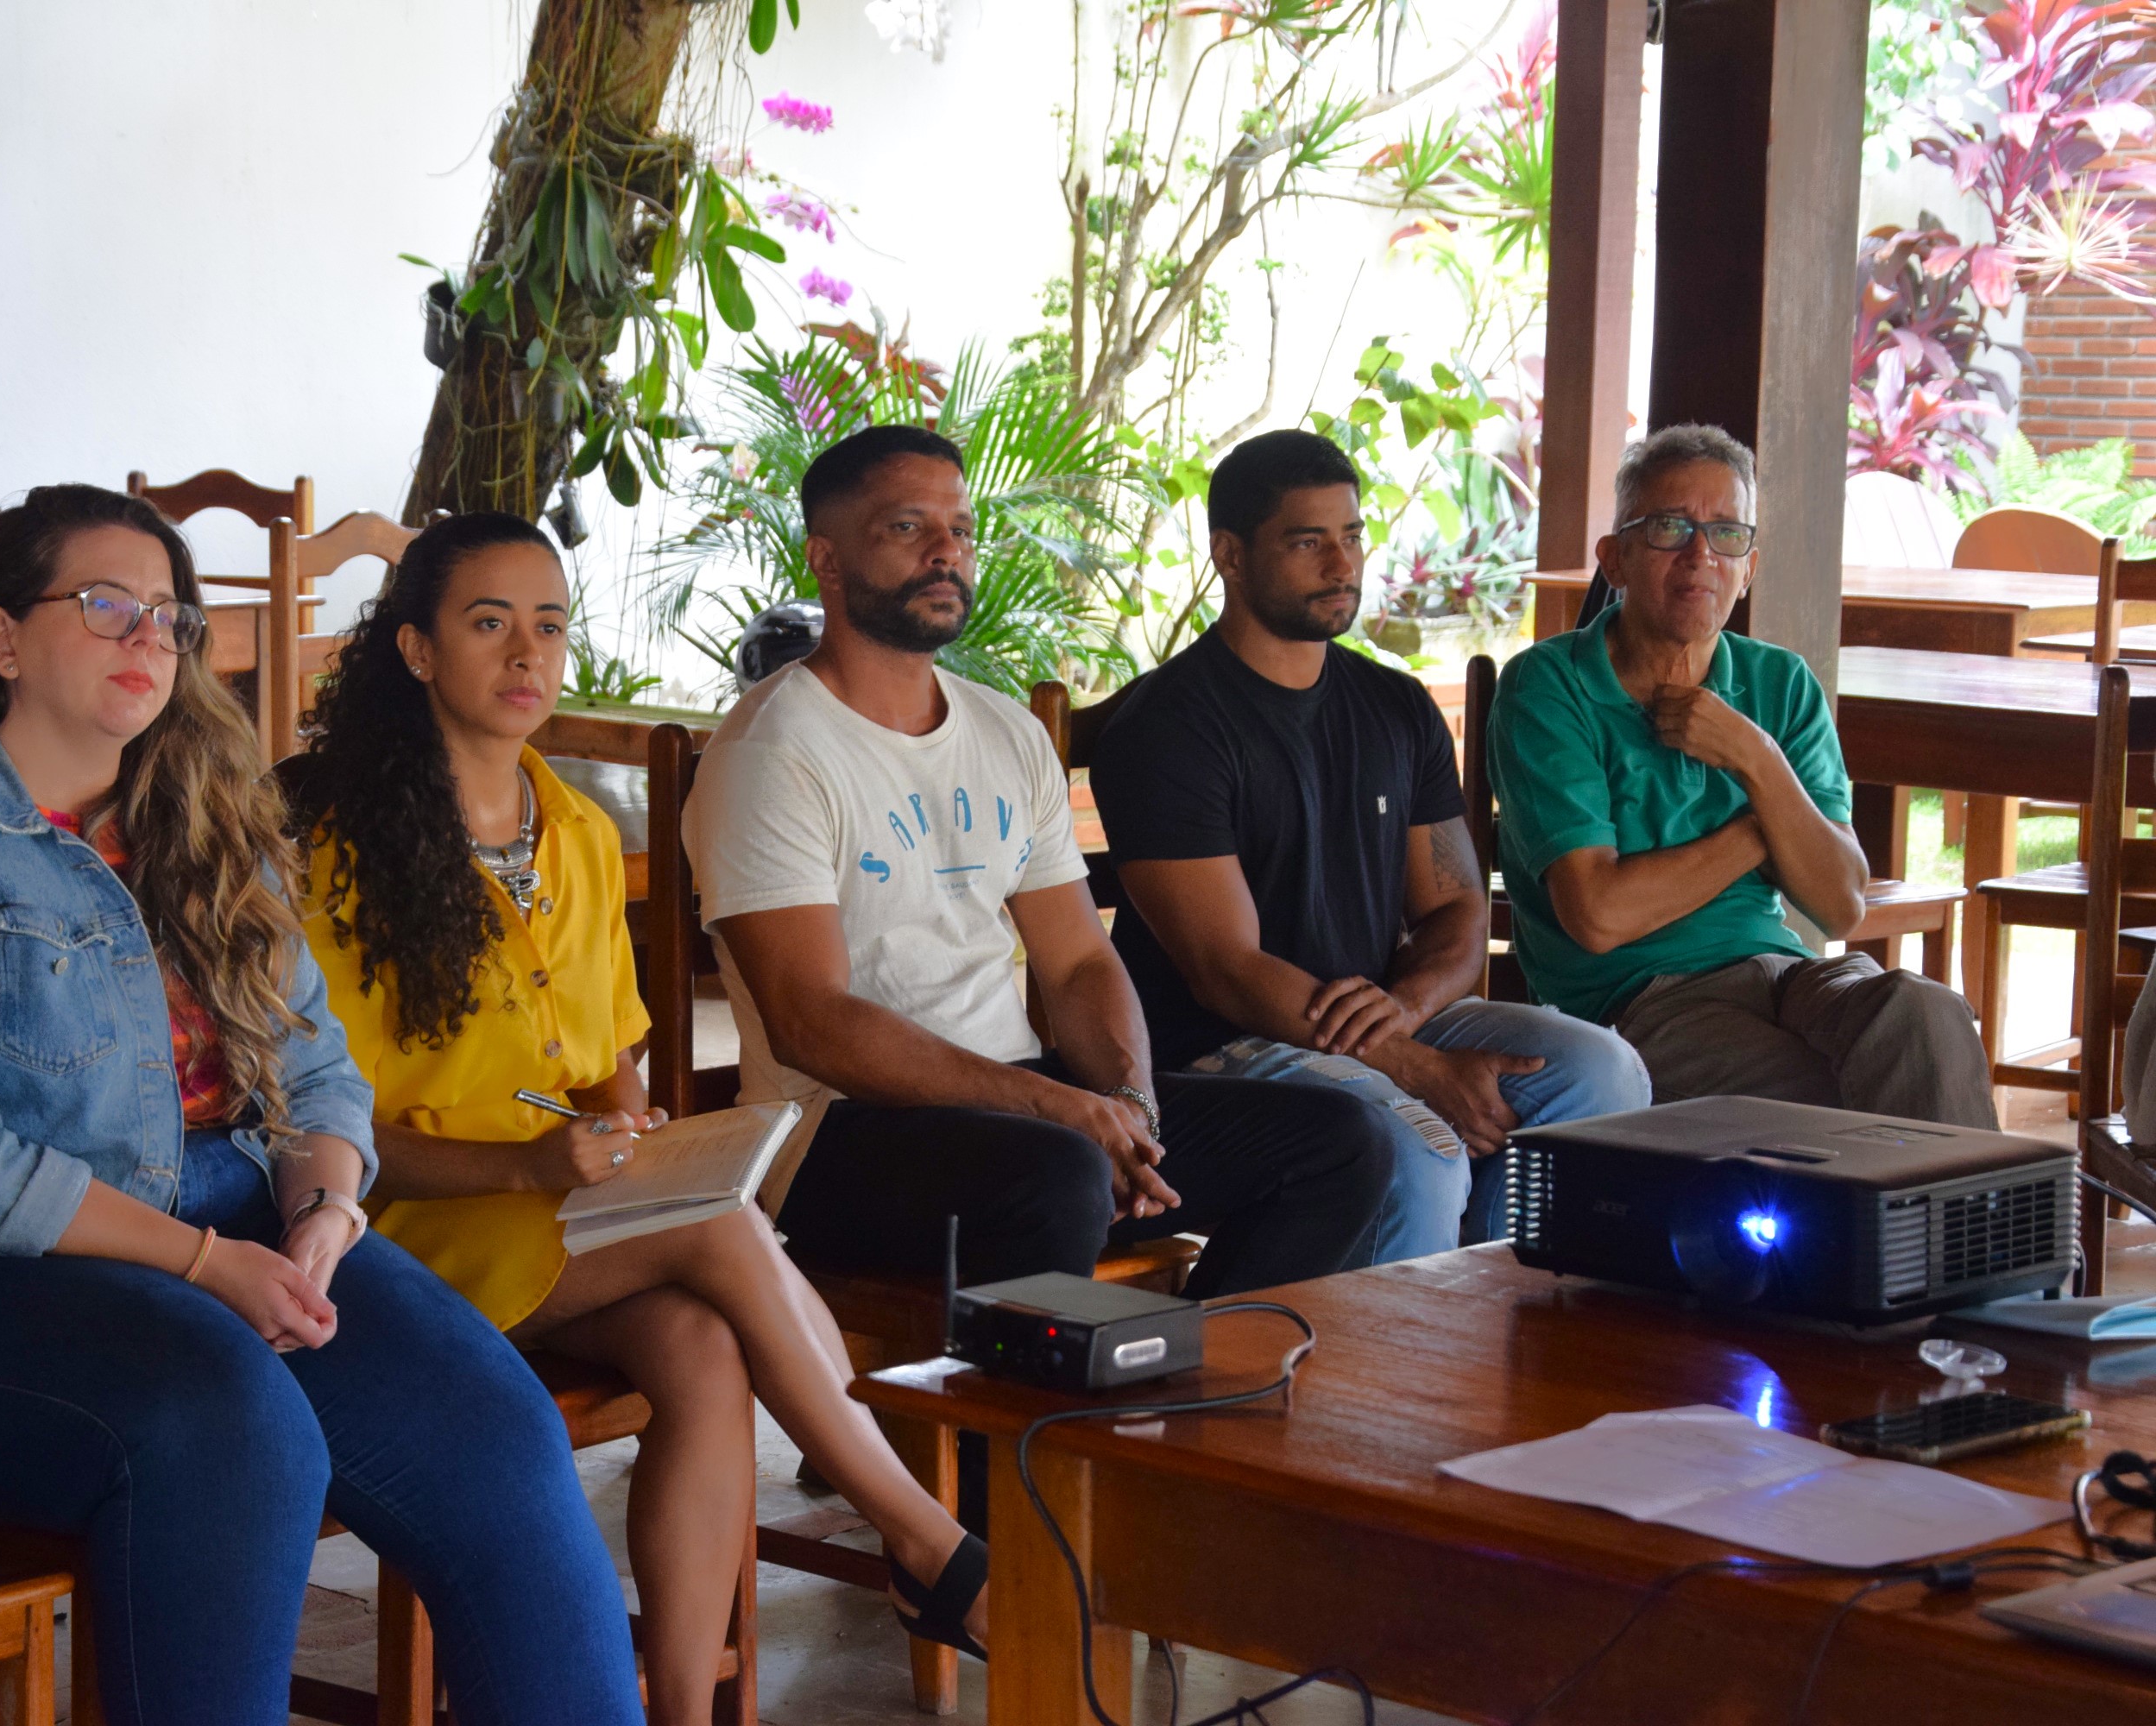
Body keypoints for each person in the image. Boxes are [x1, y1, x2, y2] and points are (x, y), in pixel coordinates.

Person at [0, 485, 643, 1726]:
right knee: (235, 1429)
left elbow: (316, 1075)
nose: (149, 637)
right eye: (106, 605)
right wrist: (204, 1264)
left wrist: (327, 1208)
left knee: (493, 1423)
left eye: (169, 616)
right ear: (2, 638)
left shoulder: (207, 826)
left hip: (236, 1216)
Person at [293, 512, 990, 1710]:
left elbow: (613, 1059)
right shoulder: (331, 849)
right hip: (392, 1238)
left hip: (558, 1214)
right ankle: (927, 1541)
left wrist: (634, 1133)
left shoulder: (570, 828)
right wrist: (534, 1165)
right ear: (415, 649)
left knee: (702, 1346)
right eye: (488, 623)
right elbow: (320, 1128)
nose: (528, 653)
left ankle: (679, 1706)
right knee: (719, 1226)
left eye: (549, 625)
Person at [681, 424, 1393, 1301]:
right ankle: (1014, 1395)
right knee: (1061, 1172)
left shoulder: (1005, 732)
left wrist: (1129, 1107)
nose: (947, 552)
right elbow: (810, 1020)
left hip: (1017, 1104)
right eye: (908, 528)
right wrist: (1055, 1109)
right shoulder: (771, 751)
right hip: (834, 1132)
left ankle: (1190, 1375)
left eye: (960, 529)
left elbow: (1080, 958)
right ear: (826, 557)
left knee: (1343, 1141)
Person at [1088, 429, 1649, 1258]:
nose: (1341, 563)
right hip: (1215, 1046)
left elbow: (1457, 904)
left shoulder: (1396, 706)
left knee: (1602, 1072)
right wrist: (1409, 1063)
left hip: (1378, 1014)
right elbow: (1224, 968)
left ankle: (1490, 1303)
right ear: (1230, 555)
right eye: (1307, 541)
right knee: (1417, 1147)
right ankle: (1398, 1337)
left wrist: (1409, 1010)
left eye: (1351, 536)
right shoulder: (1168, 728)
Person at [1486, 424, 1996, 1126]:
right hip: (1638, 1004)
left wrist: (1756, 757)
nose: (1700, 555)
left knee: (1926, 1017)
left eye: (1726, 534)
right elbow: (1600, 916)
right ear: (1616, 559)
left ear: (1748, 568)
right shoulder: (1549, 686)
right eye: (1670, 527)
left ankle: (1991, 1206)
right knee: (1845, 1096)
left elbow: (1841, 904)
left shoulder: (1779, 683)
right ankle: (1974, 1201)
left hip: (1784, 973)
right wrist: (1765, 827)